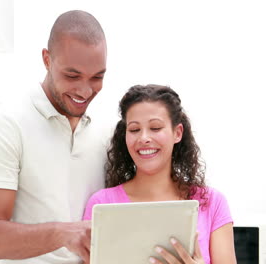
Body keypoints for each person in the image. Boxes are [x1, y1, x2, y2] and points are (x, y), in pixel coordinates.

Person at [0, 10, 108, 264]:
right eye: (72, 75)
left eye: (97, 77)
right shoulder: (6, 124)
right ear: (47, 59)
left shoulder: (108, 129)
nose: (85, 90)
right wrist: (62, 233)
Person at [83, 85, 236, 264]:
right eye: (134, 130)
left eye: (155, 128)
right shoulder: (102, 204)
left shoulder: (212, 202)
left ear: (177, 133)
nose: (144, 138)